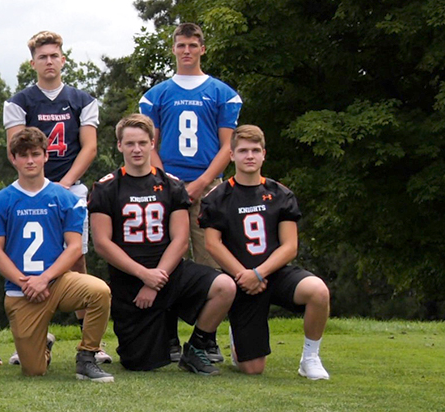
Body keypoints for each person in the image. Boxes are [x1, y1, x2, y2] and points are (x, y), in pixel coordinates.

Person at [89, 114, 235, 375]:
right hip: (130, 279)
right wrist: (144, 276)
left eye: (142, 143)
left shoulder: (171, 185)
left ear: (152, 143)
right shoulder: (106, 188)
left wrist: (156, 278)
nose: (136, 149)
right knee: (140, 363)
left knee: (225, 285)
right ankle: (161, 336)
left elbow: (180, 240)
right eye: (130, 143)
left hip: (169, 271)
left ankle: (197, 346)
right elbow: (101, 243)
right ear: (119, 145)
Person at [3, 30, 111, 365]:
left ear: (63, 59)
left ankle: (89, 339)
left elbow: (89, 147)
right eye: (42, 57)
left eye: (54, 56)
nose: (49, 62)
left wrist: (62, 184)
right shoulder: (19, 101)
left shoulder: (82, 99)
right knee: (32, 259)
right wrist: (44, 186)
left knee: (75, 259)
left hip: (71, 188)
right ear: (33, 62)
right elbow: (14, 148)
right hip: (31, 190)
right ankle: (42, 333)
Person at [139, 23, 242, 361]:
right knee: (165, 262)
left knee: (211, 262)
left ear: (202, 48)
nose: (186, 50)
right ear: (173, 49)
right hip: (165, 185)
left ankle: (205, 337)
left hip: (208, 185)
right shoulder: (156, 95)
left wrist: (201, 183)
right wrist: (168, 180)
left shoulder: (221, 92)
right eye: (181, 45)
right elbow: (148, 143)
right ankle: (167, 335)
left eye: (192, 45)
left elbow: (229, 146)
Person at [0, 127, 113, 382]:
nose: (30, 160)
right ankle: (44, 345)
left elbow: (74, 247)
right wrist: (25, 281)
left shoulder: (64, 197)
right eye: (23, 155)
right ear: (13, 158)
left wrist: (45, 278)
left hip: (57, 282)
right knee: (34, 370)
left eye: (35, 154)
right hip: (21, 290)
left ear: (45, 156)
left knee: (99, 291)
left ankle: (87, 357)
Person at [199, 125, 331, 380]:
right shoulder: (218, 197)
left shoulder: (280, 193)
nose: (250, 155)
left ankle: (310, 357)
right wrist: (244, 275)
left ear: (263, 155)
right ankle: (239, 341)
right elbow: (212, 244)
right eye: (243, 150)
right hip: (240, 280)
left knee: (318, 291)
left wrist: (259, 273)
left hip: (274, 272)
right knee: (253, 369)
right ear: (232, 155)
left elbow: (290, 246)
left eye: (255, 150)